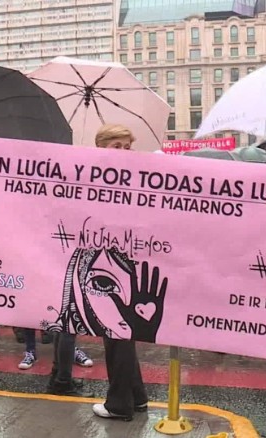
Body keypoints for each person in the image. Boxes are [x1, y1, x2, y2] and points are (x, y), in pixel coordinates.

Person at [89, 125, 149, 421]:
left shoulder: (130, 183)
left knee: (117, 334)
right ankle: (136, 398)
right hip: (115, 265)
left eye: (127, 146)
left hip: (118, 267)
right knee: (122, 334)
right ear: (100, 147)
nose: (124, 152)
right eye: (116, 146)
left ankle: (119, 404)